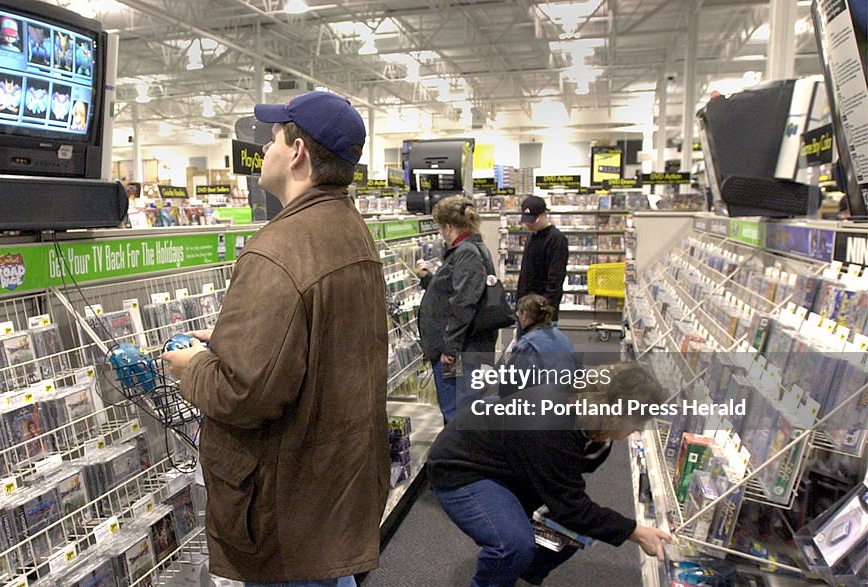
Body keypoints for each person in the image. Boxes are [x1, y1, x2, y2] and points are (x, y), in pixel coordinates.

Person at [162, 91, 389, 587]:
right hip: (333, 487)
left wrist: (192, 366)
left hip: (289, 504)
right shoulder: (353, 231)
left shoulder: (279, 248)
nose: (264, 149)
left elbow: (244, 393)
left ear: (299, 153)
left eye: (273, 138)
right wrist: (229, 342)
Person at [426, 362, 674, 587]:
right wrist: (636, 532)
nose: (640, 428)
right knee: (512, 545)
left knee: (569, 534)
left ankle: (522, 580)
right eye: (638, 420)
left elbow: (567, 493)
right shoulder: (554, 426)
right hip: (462, 466)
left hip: (512, 467)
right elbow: (570, 505)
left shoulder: (591, 424)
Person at [415, 196, 499, 424]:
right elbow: (456, 291)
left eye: (442, 228)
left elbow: (464, 303)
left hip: (456, 352)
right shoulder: (469, 250)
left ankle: (460, 457)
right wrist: (429, 280)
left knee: (457, 413)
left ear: (449, 227)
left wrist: (450, 349)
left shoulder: (467, 252)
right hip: (458, 348)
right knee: (459, 409)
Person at [498, 293, 580, 398]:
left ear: (525, 315)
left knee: (484, 404)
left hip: (540, 406)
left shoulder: (527, 344)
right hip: (569, 402)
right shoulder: (563, 339)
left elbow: (508, 387)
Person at [515, 195, 569, 323]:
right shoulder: (531, 237)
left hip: (541, 312)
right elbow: (526, 274)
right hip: (525, 309)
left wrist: (544, 310)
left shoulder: (557, 239)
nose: (529, 224)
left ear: (545, 214)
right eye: (526, 220)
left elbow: (555, 279)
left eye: (533, 220)